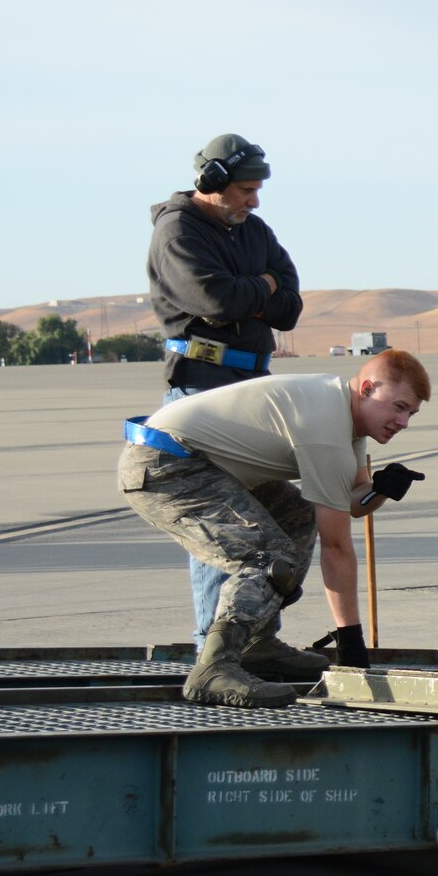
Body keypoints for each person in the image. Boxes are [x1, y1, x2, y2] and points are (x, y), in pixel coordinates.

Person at [118, 351, 430, 706]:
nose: (403, 421)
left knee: (296, 514)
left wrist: (381, 489)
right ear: (367, 389)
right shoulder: (326, 430)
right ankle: (214, 666)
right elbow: (337, 547)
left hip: (198, 462)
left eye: (411, 413)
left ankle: (255, 644)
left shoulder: (345, 418)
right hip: (165, 466)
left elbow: (353, 501)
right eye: (399, 406)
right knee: (268, 557)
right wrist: (351, 644)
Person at [146, 133, 303, 648]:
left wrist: (254, 293)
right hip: (201, 387)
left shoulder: (255, 230)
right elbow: (215, 299)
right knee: (223, 530)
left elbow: (291, 307)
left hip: (253, 385)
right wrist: (263, 288)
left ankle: (255, 641)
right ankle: (213, 648)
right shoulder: (176, 232)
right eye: (244, 190)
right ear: (211, 184)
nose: (253, 201)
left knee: (270, 517)